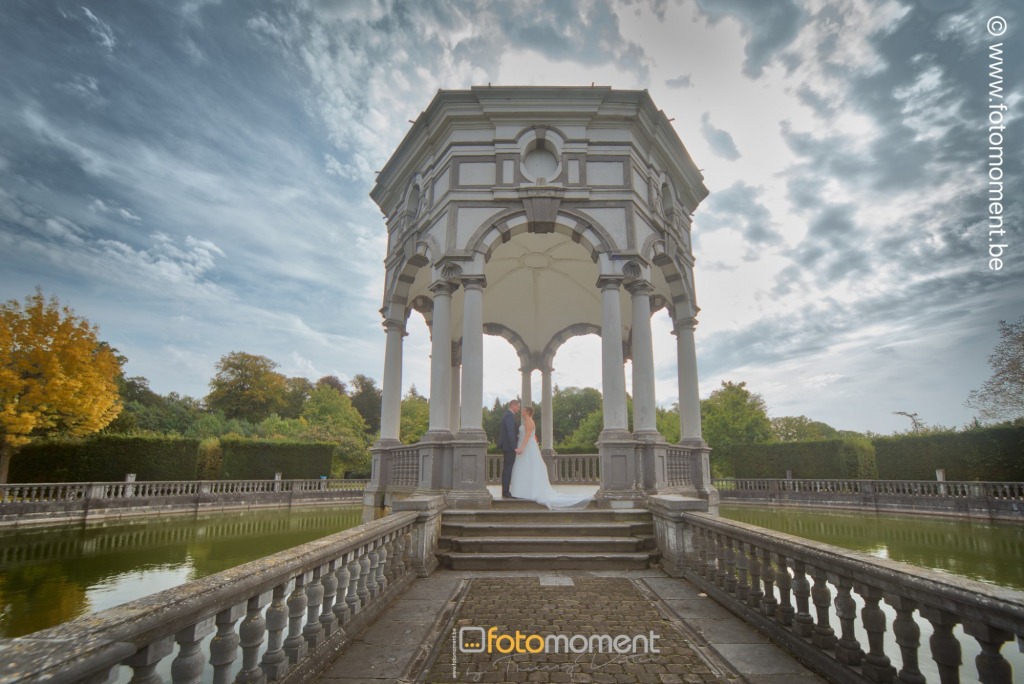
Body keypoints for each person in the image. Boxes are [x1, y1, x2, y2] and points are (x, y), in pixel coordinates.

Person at [510, 406, 591, 509]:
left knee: (529, 468)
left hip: (527, 448)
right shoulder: (526, 421)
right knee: (525, 469)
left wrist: (521, 448)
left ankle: (527, 491)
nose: (522, 411)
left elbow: (528, 435)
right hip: (526, 447)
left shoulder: (529, 421)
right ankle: (523, 491)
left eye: (523, 410)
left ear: (528, 412)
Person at [496, 399, 520, 498]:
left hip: (508, 446)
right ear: (512, 405)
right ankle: (505, 492)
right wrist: (514, 447)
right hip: (509, 447)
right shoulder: (509, 416)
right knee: (508, 468)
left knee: (507, 468)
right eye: (518, 406)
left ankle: (505, 491)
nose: (518, 409)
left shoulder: (508, 415)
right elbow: (511, 433)